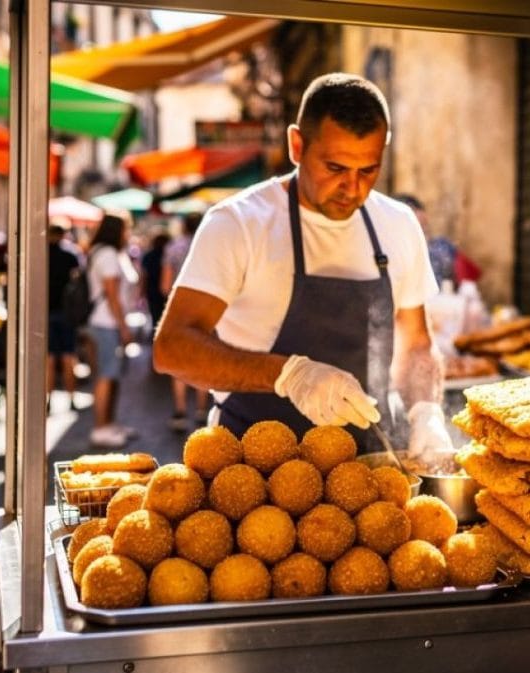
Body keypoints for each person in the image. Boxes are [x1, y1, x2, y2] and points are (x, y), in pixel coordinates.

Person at [153, 72, 453, 457]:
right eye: (335, 168)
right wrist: (289, 375)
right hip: (248, 466)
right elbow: (172, 346)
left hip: (366, 465)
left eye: (368, 170)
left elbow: (416, 345)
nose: (353, 189)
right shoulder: (240, 222)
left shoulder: (398, 223)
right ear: (297, 145)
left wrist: (426, 411)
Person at [86, 212, 139, 447]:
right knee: (107, 373)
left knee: (113, 374)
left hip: (109, 322)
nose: (128, 233)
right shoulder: (107, 254)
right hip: (106, 323)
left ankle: (109, 423)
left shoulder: (111, 252)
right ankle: (100, 427)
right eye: (126, 228)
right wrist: (124, 326)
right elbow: (112, 295)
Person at [160, 213, 210, 432]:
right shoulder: (208, 247)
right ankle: (201, 410)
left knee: (178, 362)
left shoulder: (173, 247)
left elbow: (165, 285)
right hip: (207, 311)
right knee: (204, 360)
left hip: (178, 311)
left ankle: (180, 411)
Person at [395, 193, 480, 286]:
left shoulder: (443, 245)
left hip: (445, 297)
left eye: (416, 210)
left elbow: (469, 275)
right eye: (411, 212)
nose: (418, 217)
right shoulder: (396, 251)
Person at [46, 218, 83, 413]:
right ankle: (71, 398)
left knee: (49, 359)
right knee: (69, 356)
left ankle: (48, 400)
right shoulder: (71, 255)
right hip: (66, 312)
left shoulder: (41, 254)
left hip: (46, 311)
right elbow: (78, 280)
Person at [140, 227, 170, 330]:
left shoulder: (149, 256)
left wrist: (142, 292)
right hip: (165, 292)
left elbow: (144, 276)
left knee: (155, 317)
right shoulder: (168, 255)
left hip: (152, 292)